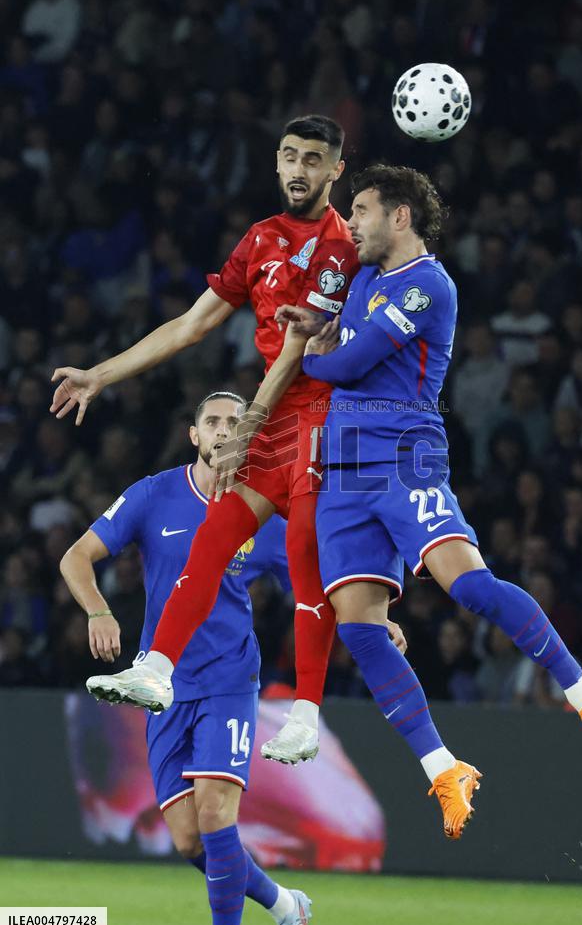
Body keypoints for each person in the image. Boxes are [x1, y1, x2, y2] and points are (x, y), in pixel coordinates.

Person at [279, 164, 582, 837]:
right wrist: (320, 337)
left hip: (403, 452)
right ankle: (444, 768)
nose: (348, 222)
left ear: (401, 217)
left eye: (361, 209)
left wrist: (312, 352)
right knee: (359, 630)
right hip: (345, 472)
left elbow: (347, 364)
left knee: (468, 586)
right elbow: (341, 350)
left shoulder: (428, 284)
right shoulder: (361, 283)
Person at [50, 114, 359, 763]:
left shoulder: (338, 246)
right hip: (277, 420)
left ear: (335, 169)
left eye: (313, 159)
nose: (298, 169)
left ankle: (305, 712)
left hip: (326, 422)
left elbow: (299, 350)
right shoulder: (262, 240)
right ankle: (156, 669)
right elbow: (191, 325)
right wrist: (100, 374)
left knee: (302, 554)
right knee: (214, 539)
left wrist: (247, 426)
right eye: (288, 155)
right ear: (276, 162)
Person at [60, 391, 313, 925]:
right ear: (193, 435)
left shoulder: (262, 509)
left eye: (235, 422)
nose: (224, 429)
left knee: (217, 814)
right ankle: (284, 903)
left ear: (248, 434)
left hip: (229, 678)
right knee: (189, 841)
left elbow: (315, 590)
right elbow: (74, 556)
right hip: (164, 687)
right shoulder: (153, 495)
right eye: (213, 421)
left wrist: (374, 622)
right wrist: (98, 610)